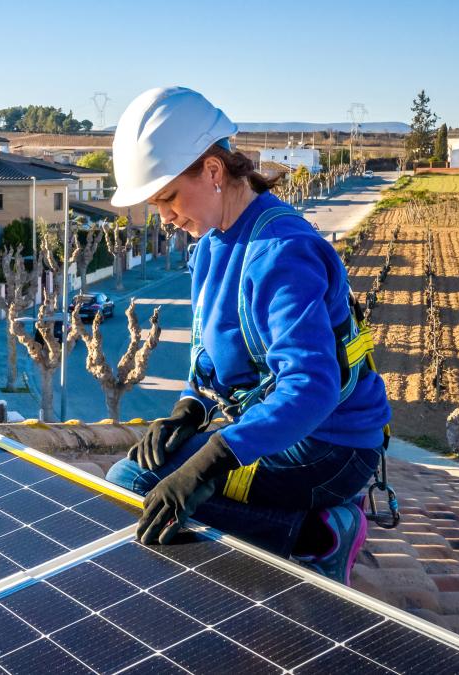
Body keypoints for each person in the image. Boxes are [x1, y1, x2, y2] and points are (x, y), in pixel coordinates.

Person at [103, 87, 391, 586]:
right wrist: (188, 409)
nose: (164, 216)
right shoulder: (212, 242)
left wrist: (212, 460)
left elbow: (311, 388)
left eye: (168, 197)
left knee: (135, 484)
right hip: (281, 431)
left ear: (213, 171)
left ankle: (318, 535)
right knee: (139, 476)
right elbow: (209, 358)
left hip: (327, 446)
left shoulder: (282, 252)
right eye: (156, 204)